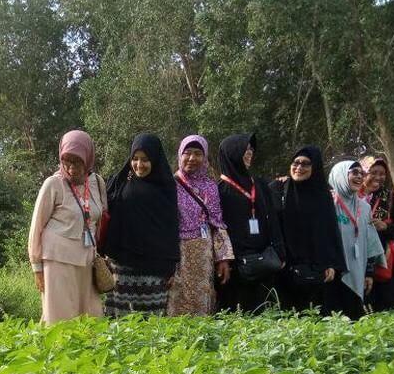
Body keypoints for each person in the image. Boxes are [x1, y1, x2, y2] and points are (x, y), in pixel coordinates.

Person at [27, 130, 106, 323]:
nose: (71, 169)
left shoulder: (97, 183)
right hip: (57, 261)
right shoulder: (53, 185)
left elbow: (99, 218)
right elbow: (36, 227)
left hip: (87, 260)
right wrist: (37, 268)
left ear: (88, 159)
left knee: (91, 316)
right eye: (66, 162)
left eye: (77, 162)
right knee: (59, 318)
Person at [101, 133, 180, 316]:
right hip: (121, 267)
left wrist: (171, 267)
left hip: (154, 271)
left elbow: (170, 229)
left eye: (145, 160)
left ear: (155, 159)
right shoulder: (121, 182)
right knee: (120, 324)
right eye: (135, 159)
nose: (139, 164)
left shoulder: (166, 188)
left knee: (150, 326)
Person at [270, 145, 346, 315]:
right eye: (295, 162)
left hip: (316, 270)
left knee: (316, 317)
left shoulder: (322, 194)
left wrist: (331, 263)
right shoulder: (277, 188)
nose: (299, 167)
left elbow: (329, 231)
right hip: (283, 268)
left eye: (305, 164)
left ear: (315, 167)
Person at [216, 133, 285, 312]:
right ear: (232, 153)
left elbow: (273, 220)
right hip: (236, 268)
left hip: (264, 261)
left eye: (251, 150)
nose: (249, 153)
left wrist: (280, 251)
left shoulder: (259, 185)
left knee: (264, 314)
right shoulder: (219, 190)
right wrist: (226, 260)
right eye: (245, 149)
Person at [167, 135, 233, 315]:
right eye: (187, 153)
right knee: (176, 299)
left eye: (198, 154)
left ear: (205, 158)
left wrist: (223, 258)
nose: (192, 158)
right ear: (180, 155)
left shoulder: (211, 186)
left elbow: (217, 223)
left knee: (201, 301)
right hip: (178, 252)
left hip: (204, 253)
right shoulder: (170, 184)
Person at [326, 159, 384, 320]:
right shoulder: (328, 203)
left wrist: (369, 273)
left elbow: (370, 242)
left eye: (361, 173)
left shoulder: (364, 208)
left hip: (358, 272)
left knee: (355, 320)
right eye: (354, 173)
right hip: (332, 274)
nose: (359, 177)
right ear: (341, 175)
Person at [360, 155, 394, 311]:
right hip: (359, 258)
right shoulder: (352, 196)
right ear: (363, 173)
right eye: (373, 172)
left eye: (382, 173)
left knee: (390, 305)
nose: (378, 177)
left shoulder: (389, 197)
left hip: (383, 260)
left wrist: (385, 227)